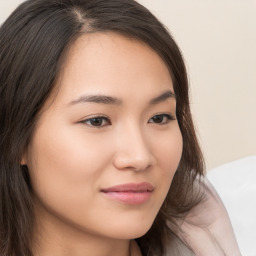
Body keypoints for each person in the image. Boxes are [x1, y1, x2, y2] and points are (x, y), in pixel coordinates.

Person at [0, 0, 241, 255]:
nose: (139, 157)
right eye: (97, 121)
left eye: (159, 118)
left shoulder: (216, 235)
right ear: (15, 138)